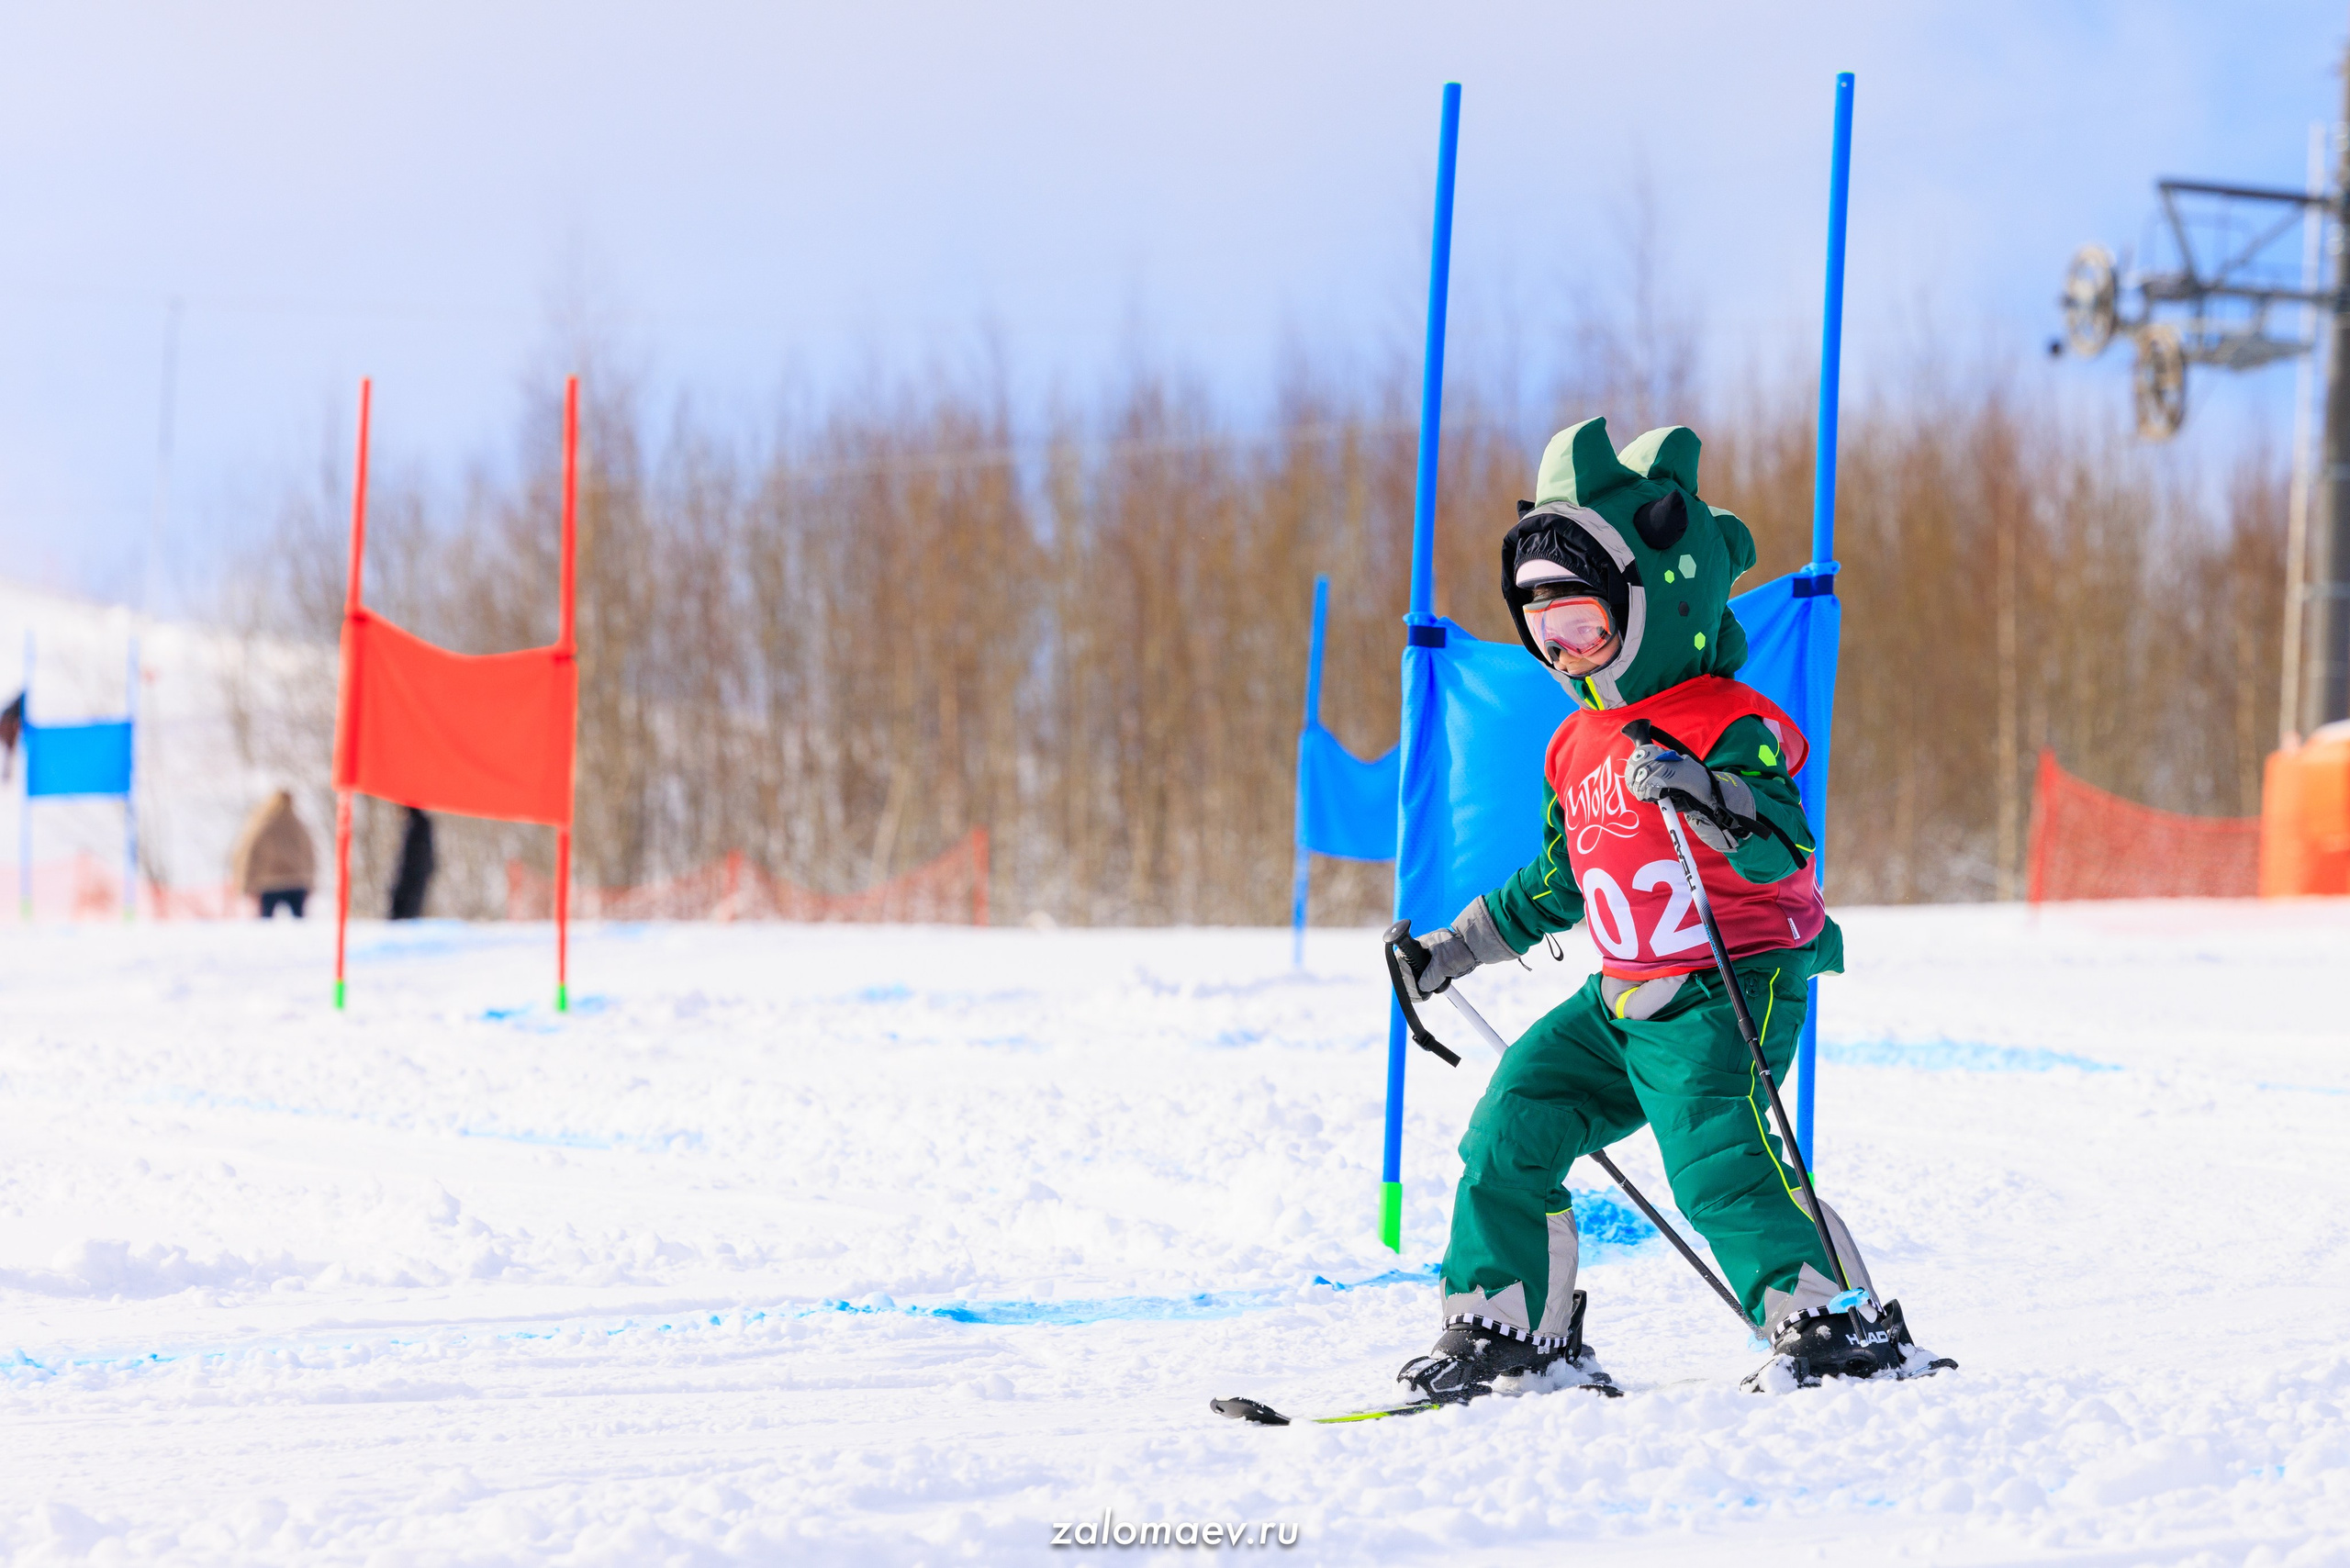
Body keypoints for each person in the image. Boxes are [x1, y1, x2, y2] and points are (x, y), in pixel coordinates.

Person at [1394, 417, 1946, 1400]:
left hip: (1727, 987)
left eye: (1586, 628)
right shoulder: (1575, 747)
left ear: (1653, 602)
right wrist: (1451, 949)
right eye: (1544, 633)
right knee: (1513, 1118)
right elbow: (1557, 884)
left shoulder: (1730, 719)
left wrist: (1710, 792)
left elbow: (1786, 839)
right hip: (1622, 996)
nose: (1566, 656)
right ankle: (1513, 1330)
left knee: (1716, 1159)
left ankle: (1829, 1322)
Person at [232, 789, 317, 919]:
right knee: (300, 924)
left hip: (269, 883)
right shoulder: (299, 826)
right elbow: (310, 855)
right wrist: (310, 880)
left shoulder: (263, 827)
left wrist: (246, 884)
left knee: (266, 924)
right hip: (296, 881)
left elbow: (251, 856)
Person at [388, 806, 434, 920]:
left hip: (412, 882)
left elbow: (418, 860)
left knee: (404, 918)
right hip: (411, 881)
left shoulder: (418, 825)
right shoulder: (418, 824)